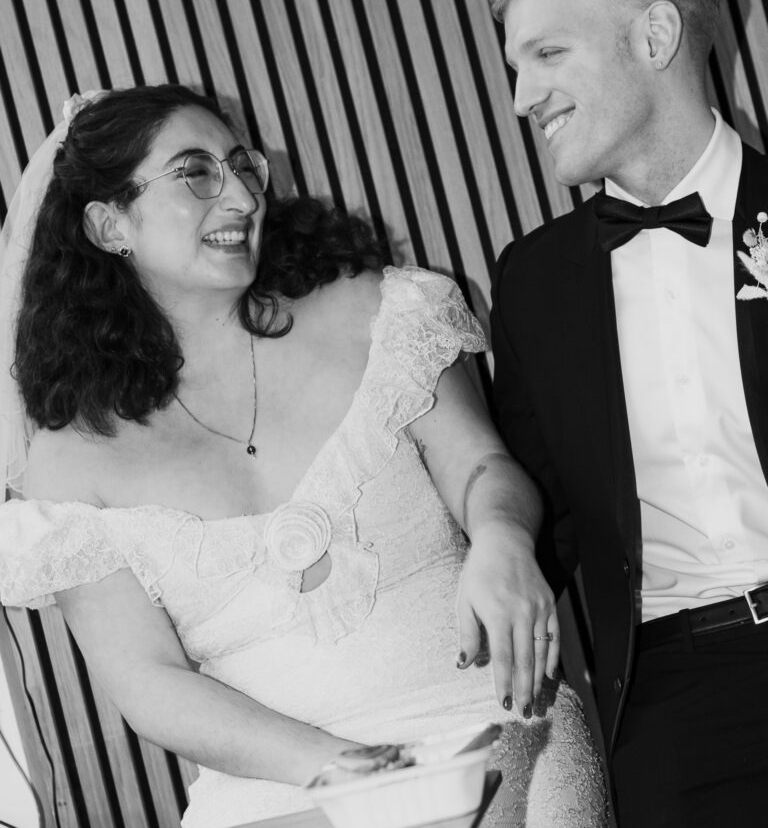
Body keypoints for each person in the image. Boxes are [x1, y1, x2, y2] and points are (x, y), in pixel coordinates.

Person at [0, 85, 606, 827]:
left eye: (243, 167)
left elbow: (482, 466)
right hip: (274, 792)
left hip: (483, 723)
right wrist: (352, 775)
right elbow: (146, 680)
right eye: (196, 174)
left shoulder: (379, 311)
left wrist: (505, 538)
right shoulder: (70, 464)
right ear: (108, 222)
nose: (241, 198)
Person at [487, 0, 768, 827]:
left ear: (655, 36)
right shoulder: (533, 286)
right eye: (515, 69)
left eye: (546, 55)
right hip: (674, 704)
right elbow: (540, 521)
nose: (523, 98)